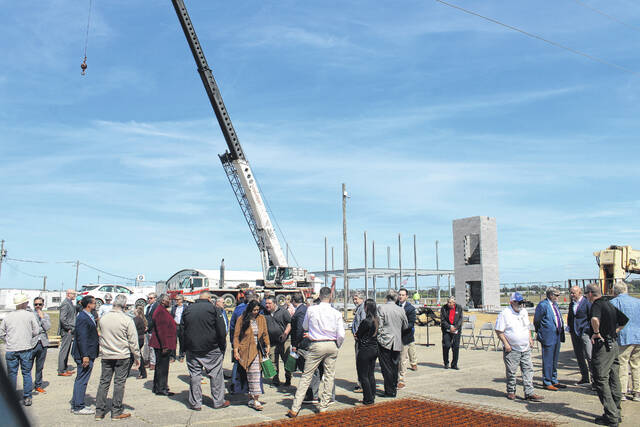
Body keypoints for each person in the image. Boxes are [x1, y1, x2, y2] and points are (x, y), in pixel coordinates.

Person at [287, 286, 344, 418]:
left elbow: (305, 326)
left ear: (319, 296)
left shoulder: (311, 309)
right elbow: (341, 334)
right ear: (330, 296)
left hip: (316, 344)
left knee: (306, 375)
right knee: (329, 376)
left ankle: (295, 408)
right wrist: (336, 345)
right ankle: (323, 406)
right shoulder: (336, 313)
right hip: (331, 343)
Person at [586, 283, 629, 426]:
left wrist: (597, 333)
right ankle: (616, 412)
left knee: (600, 379)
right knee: (614, 378)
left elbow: (594, 319)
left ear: (591, 294)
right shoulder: (609, 304)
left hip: (603, 347)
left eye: (587, 294)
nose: (587, 296)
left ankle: (611, 416)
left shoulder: (597, 305)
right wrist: (612, 332)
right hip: (613, 345)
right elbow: (623, 321)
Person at [95, 294, 141, 420]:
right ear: (124, 305)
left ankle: (99, 411)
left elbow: (100, 334)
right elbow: (133, 340)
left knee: (104, 382)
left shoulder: (104, 319)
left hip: (107, 354)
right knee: (119, 383)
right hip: (122, 355)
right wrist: (137, 356)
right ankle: (116, 411)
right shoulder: (126, 320)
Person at [182, 291, 230, 411]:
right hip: (211, 348)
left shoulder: (188, 309)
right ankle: (218, 401)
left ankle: (195, 403)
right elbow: (221, 330)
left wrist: (183, 348)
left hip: (192, 348)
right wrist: (222, 346)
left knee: (195, 375)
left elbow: (182, 330)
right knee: (216, 375)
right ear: (209, 299)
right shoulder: (214, 309)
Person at [495, 292, 544, 402]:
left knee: (528, 370)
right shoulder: (505, 313)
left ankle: (529, 392)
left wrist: (530, 339)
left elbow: (527, 327)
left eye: (522, 303)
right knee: (512, 371)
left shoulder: (524, 312)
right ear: (511, 302)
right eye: (518, 303)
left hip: (525, 347)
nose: (520, 305)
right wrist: (506, 344)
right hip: (512, 348)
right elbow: (499, 331)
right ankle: (511, 391)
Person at [0, 294, 39, 406]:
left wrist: (8, 340)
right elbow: (36, 331)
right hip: (26, 348)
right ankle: (27, 397)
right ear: (24, 303)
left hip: (11, 348)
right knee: (26, 373)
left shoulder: (8, 316)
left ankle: (11, 397)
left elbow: (1, 332)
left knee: (12, 374)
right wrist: (27, 336)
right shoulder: (29, 315)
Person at [233, 299, 270, 411]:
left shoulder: (262, 319)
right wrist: (236, 350)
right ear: (249, 309)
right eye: (254, 310)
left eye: (258, 310)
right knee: (247, 374)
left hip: (257, 351)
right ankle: (250, 398)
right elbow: (236, 336)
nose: (256, 312)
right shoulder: (241, 319)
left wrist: (267, 345)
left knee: (255, 374)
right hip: (245, 351)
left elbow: (265, 333)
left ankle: (256, 399)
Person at [610, 281, 640, 401]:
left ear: (615, 292)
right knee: (636, 364)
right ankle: (637, 391)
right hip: (638, 337)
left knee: (622, 364)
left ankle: (622, 391)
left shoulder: (614, 302)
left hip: (624, 337)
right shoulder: (638, 302)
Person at [71, 295, 99, 415]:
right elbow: (82, 338)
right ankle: (78, 406)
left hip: (88, 351)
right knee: (82, 379)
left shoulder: (88, 316)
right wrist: (85, 356)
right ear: (89, 304)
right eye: (94, 303)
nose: (95, 305)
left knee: (82, 378)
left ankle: (78, 402)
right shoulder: (83, 317)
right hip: (84, 353)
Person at [376, 289, 408, 398]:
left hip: (385, 341)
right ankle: (394, 386)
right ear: (396, 298)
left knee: (386, 367)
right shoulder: (400, 310)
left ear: (386, 298)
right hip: (397, 341)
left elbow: (379, 325)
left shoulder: (381, 308)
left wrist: (380, 337)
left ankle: (389, 390)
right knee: (395, 366)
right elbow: (405, 325)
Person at [290, 292, 321, 404]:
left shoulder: (301, 311)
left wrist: (295, 344)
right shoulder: (304, 309)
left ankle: (312, 395)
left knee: (308, 370)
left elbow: (300, 329)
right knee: (308, 370)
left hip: (303, 344)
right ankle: (312, 394)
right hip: (305, 343)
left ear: (293, 301)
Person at [534, 287, 566, 390]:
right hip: (548, 336)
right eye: (556, 295)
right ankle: (547, 381)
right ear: (550, 295)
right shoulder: (543, 305)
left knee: (554, 359)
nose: (558, 297)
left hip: (557, 334)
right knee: (548, 359)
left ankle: (554, 379)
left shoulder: (555, 305)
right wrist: (541, 332)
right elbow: (537, 321)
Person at [149, 294, 177, 396]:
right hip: (162, 345)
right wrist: (164, 346)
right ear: (163, 301)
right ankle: (161, 388)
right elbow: (161, 330)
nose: (169, 301)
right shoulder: (160, 311)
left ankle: (158, 386)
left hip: (162, 344)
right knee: (162, 368)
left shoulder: (162, 310)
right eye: (168, 300)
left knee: (160, 366)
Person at [567, 285, 593, 387]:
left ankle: (594, 379)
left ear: (580, 292)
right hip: (575, 333)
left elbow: (591, 317)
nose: (572, 295)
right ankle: (585, 378)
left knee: (589, 355)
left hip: (585, 333)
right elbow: (570, 317)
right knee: (579, 356)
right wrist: (570, 328)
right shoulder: (571, 304)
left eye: (574, 293)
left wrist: (588, 330)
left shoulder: (587, 303)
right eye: (571, 293)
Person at [265, 296, 292, 387]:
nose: (267, 305)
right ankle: (275, 380)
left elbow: (289, 323)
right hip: (272, 342)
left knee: (287, 361)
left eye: (269, 303)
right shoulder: (265, 313)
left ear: (274, 303)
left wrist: (285, 333)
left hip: (284, 341)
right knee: (273, 361)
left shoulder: (283, 311)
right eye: (266, 303)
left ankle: (288, 379)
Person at [355, 298, 379, 405]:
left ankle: (368, 399)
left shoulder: (366, 321)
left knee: (363, 375)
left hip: (365, 349)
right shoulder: (376, 320)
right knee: (370, 374)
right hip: (374, 348)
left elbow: (358, 334)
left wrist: (357, 336)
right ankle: (372, 395)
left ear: (366, 308)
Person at [30, 296, 51, 395]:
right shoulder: (30, 315)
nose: (38, 306)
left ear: (43, 305)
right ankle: (28, 386)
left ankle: (38, 385)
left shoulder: (46, 315)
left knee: (40, 366)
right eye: (36, 304)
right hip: (32, 343)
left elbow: (47, 327)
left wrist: (42, 318)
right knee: (28, 366)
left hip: (42, 343)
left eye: (40, 304)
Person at [397, 288, 417, 388]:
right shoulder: (395, 306)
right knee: (395, 359)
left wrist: (401, 327)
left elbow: (411, 323)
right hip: (395, 337)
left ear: (406, 296)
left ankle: (401, 379)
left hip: (405, 337)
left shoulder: (410, 308)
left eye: (403, 295)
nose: (401, 296)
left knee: (402, 359)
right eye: (399, 294)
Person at [440, 296, 463, 370]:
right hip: (447, 329)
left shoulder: (459, 308)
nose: (448, 304)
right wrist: (450, 327)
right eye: (448, 302)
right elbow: (443, 320)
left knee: (456, 347)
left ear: (454, 303)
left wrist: (455, 327)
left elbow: (460, 319)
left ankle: (454, 364)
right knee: (446, 345)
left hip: (456, 329)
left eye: (450, 302)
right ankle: (446, 362)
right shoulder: (444, 308)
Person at [58, 289, 77, 376]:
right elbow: (62, 318)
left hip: (69, 330)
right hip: (66, 331)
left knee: (67, 350)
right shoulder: (65, 303)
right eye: (73, 294)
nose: (75, 295)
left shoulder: (69, 302)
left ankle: (65, 368)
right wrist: (68, 328)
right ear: (69, 294)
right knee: (64, 350)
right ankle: (61, 370)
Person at [351, 292, 365, 393]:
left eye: (356, 299)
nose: (354, 301)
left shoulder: (362, 309)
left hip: (361, 340)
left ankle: (362, 384)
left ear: (361, 299)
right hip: (359, 339)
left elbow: (363, 323)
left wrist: (358, 334)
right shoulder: (359, 308)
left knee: (361, 362)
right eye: (354, 299)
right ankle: (361, 383)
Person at [144, 293, 159, 370]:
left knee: (152, 347)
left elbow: (154, 319)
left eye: (151, 298)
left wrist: (148, 326)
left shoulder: (157, 307)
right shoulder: (148, 307)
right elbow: (146, 318)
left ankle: (153, 363)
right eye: (148, 298)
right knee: (147, 346)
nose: (149, 300)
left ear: (155, 299)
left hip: (153, 330)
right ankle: (148, 361)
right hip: (148, 330)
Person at [133, 306, 148, 379]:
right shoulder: (142, 319)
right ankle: (143, 372)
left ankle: (143, 372)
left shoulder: (137, 319)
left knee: (136, 355)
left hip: (137, 339)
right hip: (141, 339)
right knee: (137, 355)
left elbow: (132, 328)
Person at [170, 295, 186, 362]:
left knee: (182, 342)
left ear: (181, 300)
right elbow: (171, 316)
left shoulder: (185, 307)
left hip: (182, 326)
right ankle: (172, 356)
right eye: (175, 299)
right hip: (175, 326)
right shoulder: (174, 308)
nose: (176, 301)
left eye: (178, 299)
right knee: (173, 342)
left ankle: (181, 356)